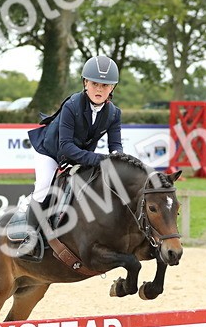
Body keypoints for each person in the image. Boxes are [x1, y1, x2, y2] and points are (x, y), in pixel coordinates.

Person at [9, 55, 123, 244]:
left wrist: (117, 158)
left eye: (105, 85)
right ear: (85, 82)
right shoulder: (72, 105)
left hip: (80, 154)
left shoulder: (114, 113)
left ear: (112, 87)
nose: (99, 89)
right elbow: (66, 148)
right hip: (51, 151)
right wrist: (100, 160)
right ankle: (29, 236)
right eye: (95, 83)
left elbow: (115, 146)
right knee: (44, 186)